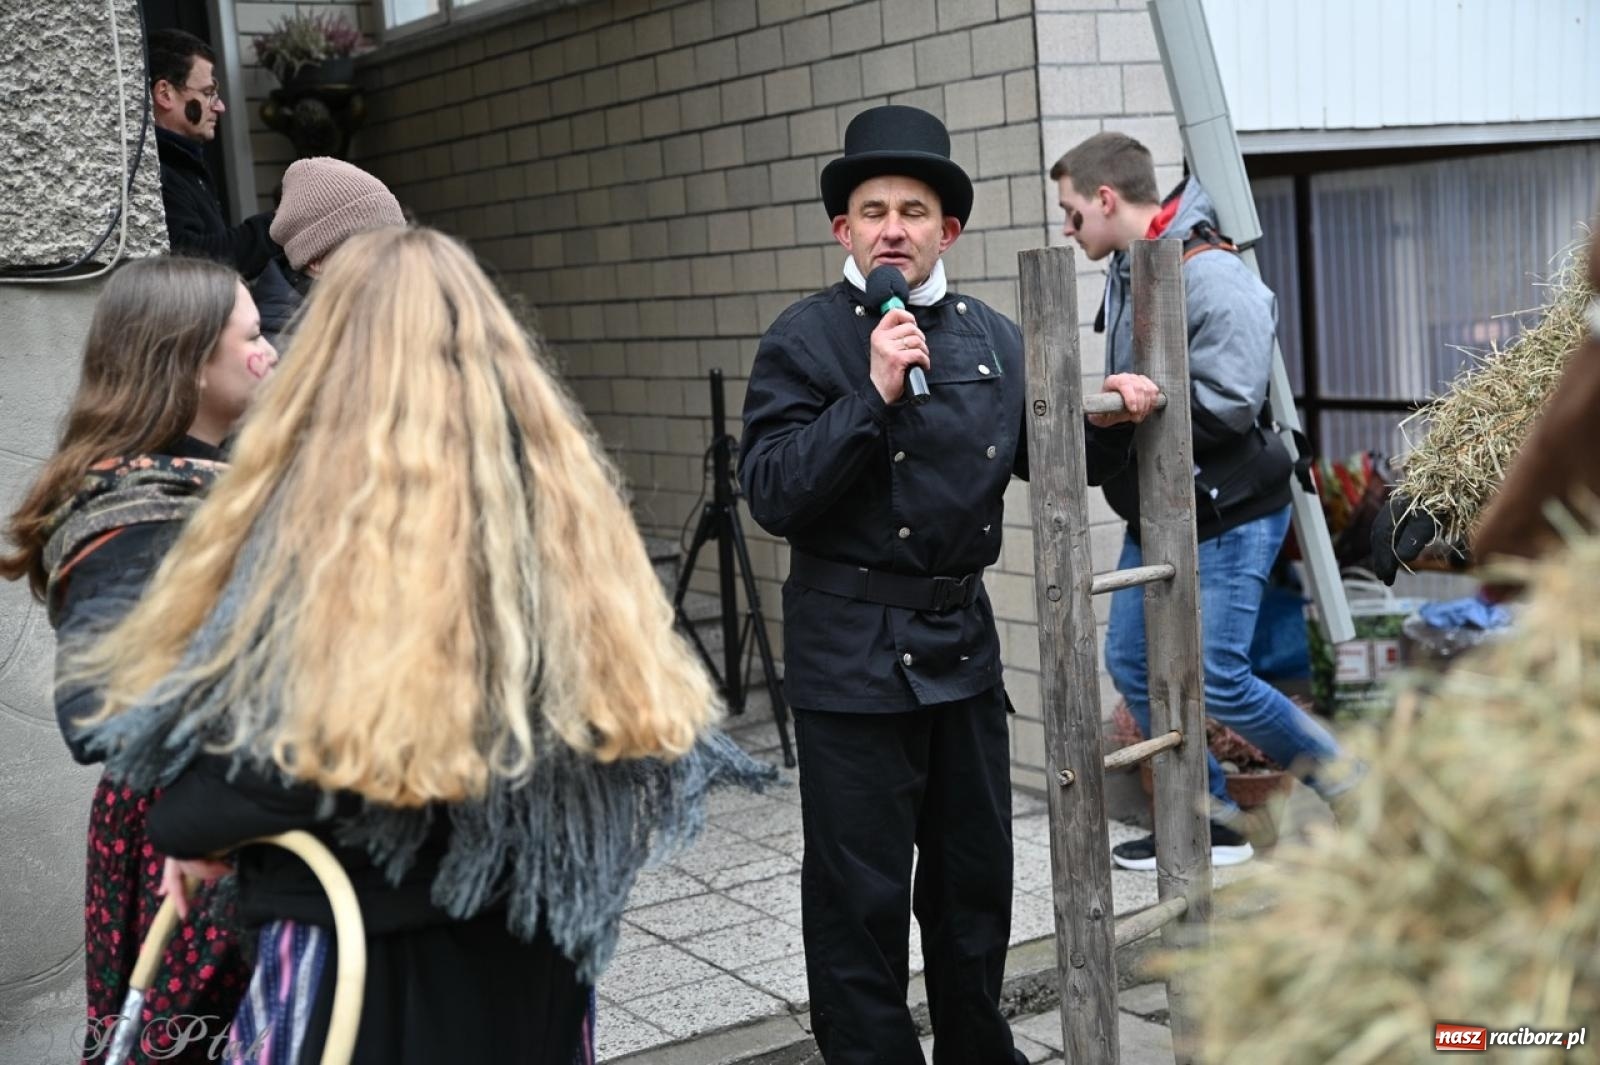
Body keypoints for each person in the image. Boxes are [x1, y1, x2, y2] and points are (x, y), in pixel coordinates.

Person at [70, 227, 774, 1065]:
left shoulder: (314, 542)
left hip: (370, 974)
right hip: (529, 959)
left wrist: (200, 826)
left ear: (335, 358)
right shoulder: (568, 523)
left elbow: (231, 789)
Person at [740, 105, 1157, 1065]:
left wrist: (1114, 418)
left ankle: (980, 1049)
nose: (895, 227)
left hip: (961, 652)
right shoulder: (803, 340)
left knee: (974, 881)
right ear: (844, 230)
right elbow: (772, 492)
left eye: (915, 210)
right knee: (861, 896)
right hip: (848, 658)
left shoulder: (992, 337)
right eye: (874, 210)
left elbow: (1046, 457)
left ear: (948, 230)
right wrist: (871, 394)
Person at [1051, 131, 1358, 870]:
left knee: (1219, 676)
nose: (1067, 229)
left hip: (1232, 511)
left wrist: (1125, 411)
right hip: (1161, 508)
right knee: (1130, 658)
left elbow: (1227, 400)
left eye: (1070, 213)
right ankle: (1215, 821)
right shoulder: (1132, 267)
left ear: (1105, 198)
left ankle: (1356, 790)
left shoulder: (1211, 272)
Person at [0, 255, 275, 1062]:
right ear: (188, 360)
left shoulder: (217, 480)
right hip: (187, 843)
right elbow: (100, 710)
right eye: (254, 337)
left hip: (236, 819)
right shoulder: (134, 511)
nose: (271, 354)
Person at [147, 29, 278, 277]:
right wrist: (278, 228)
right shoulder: (155, 173)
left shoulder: (182, 163)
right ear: (165, 94)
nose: (220, 106)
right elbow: (192, 260)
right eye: (208, 93)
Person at [251, 157, 406, 348]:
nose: (393, 259)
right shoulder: (279, 352)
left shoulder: (380, 314)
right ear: (317, 261)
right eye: (370, 246)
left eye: (394, 242)